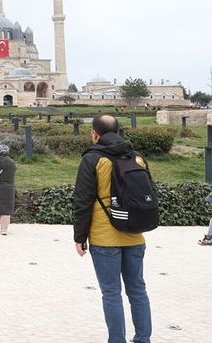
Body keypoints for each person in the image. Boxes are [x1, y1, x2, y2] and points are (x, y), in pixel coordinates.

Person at [73, 115, 151, 343]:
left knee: (111, 293)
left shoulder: (93, 159)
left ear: (95, 134)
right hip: (135, 235)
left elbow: (83, 201)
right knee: (138, 290)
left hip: (104, 237)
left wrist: (80, 236)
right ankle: (143, 339)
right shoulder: (137, 158)